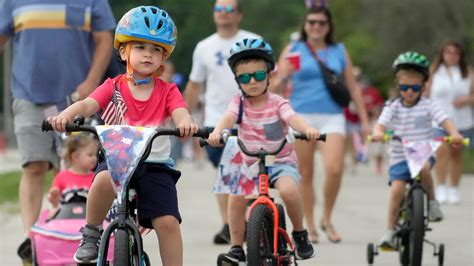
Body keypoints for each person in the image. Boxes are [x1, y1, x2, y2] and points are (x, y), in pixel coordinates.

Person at [47, 6, 198, 265]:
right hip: (117, 160)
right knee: (103, 179)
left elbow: (181, 112)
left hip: (155, 166)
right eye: (140, 47)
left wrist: (186, 123)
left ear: (164, 58)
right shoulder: (113, 86)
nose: (148, 54)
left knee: (168, 222)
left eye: (156, 50)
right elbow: (86, 105)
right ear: (123, 51)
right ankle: (92, 232)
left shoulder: (168, 90)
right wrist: (66, 116)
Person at [0, 0, 115, 262]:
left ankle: (81, 234)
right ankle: (33, 240)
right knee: (34, 165)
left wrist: (93, 82)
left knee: (75, 165)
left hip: (76, 98)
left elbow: (104, 39)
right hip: (29, 95)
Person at [208, 38, 318, 264]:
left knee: (288, 191)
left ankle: (300, 233)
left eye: (258, 75)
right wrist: (218, 132)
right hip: (249, 163)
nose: (253, 82)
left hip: (280, 161)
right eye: (245, 77)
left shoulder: (277, 103)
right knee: (236, 197)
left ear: (269, 75)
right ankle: (237, 246)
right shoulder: (238, 102)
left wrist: (307, 129)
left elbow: (293, 118)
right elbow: (227, 118)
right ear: (237, 80)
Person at [271, 5, 370, 243]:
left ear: (328, 27)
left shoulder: (338, 50)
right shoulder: (293, 48)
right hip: (300, 115)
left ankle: (327, 218)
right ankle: (311, 225)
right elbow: (274, 88)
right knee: (305, 173)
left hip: (332, 115)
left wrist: (365, 121)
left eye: (321, 23)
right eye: (311, 22)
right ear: (305, 26)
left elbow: (353, 87)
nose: (316, 27)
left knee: (335, 168)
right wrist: (284, 73)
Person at [184, 0, 260, 244]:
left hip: (251, 119)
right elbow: (195, 84)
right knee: (224, 174)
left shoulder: (254, 41)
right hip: (217, 121)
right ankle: (230, 225)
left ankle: (243, 221)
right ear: (214, 14)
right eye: (219, 9)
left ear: (239, 15)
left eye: (229, 10)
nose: (224, 14)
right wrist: (185, 117)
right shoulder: (204, 47)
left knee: (247, 175)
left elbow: (272, 77)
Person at [371, 51, 464, 248]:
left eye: (414, 87)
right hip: (399, 157)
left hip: (422, 152)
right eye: (404, 87)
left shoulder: (429, 105)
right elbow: (380, 124)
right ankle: (389, 230)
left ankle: (432, 203)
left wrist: (454, 133)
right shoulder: (393, 106)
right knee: (396, 190)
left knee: (424, 168)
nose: (409, 92)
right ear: (398, 86)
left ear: (423, 86)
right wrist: (378, 132)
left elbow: (444, 120)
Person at [425, 40, 474, 204]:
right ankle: (441, 186)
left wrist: (466, 99)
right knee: (441, 151)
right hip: (438, 120)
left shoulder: (468, 73)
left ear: (460, 55)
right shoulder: (434, 72)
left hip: (461, 120)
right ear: (442, 54)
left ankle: (454, 188)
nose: (452, 56)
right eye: (448, 52)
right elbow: (425, 94)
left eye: (456, 53)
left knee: (456, 153)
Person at [47, 133, 98, 216]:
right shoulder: (61, 177)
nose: (95, 158)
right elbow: (55, 202)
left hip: (89, 219)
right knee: (52, 213)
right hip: (66, 218)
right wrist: (53, 198)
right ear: (76, 157)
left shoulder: (96, 178)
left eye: (95, 155)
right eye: (90, 155)